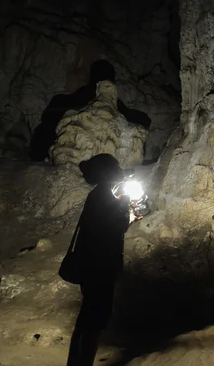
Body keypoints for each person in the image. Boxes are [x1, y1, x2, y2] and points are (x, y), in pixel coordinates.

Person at [65, 154, 141, 366]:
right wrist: (126, 207)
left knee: (87, 318)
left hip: (93, 265)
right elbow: (116, 226)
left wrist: (125, 212)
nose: (119, 168)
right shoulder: (103, 196)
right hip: (99, 267)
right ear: (108, 171)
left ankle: (76, 362)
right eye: (116, 166)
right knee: (94, 320)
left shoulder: (99, 194)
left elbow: (110, 224)